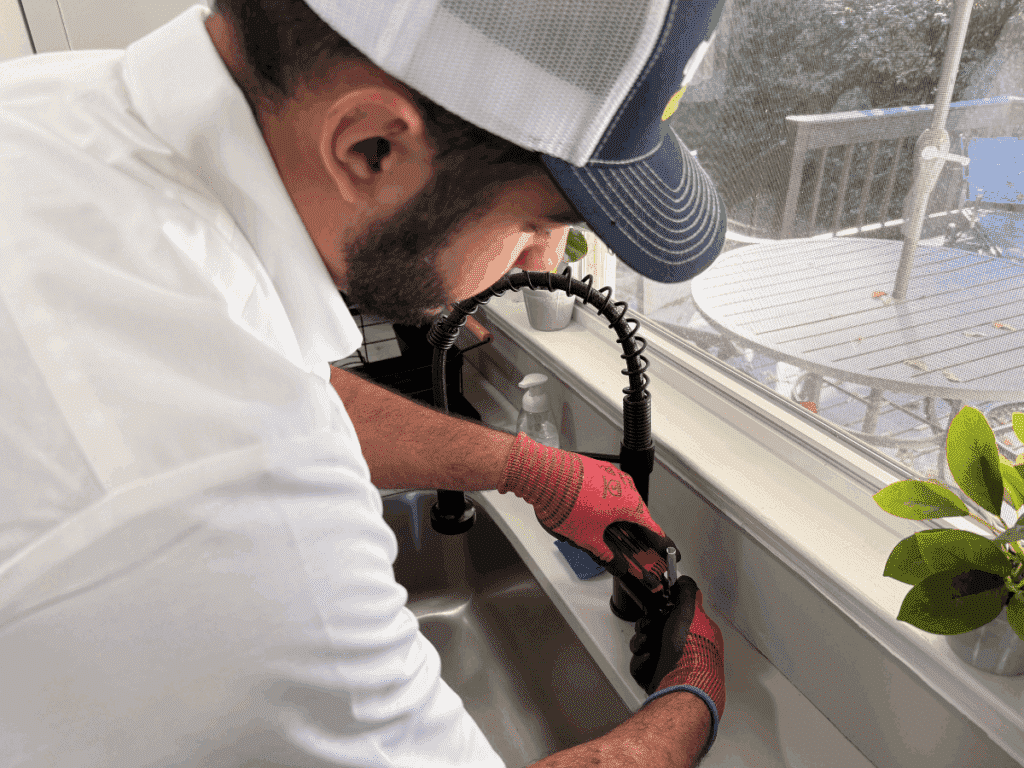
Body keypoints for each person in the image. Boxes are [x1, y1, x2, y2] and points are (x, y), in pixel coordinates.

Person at [0, 0, 728, 765]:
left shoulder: (55, 106)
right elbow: (231, 449)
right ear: (370, 146)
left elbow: (254, 383)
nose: (538, 265)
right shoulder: (237, 526)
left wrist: (526, 466)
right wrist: (691, 701)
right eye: (536, 221)